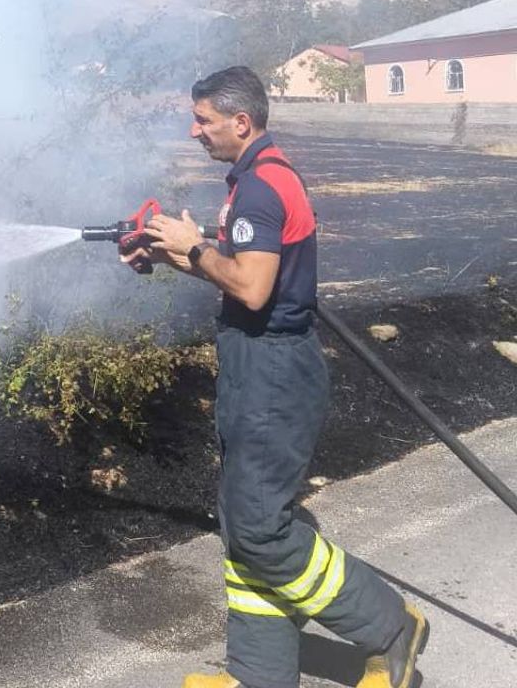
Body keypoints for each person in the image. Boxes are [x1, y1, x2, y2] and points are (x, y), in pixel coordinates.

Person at [122, 66, 430, 688]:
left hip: (273, 371)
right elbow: (240, 275)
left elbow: (254, 288)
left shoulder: (262, 186)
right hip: (254, 361)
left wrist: (194, 245)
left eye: (203, 120)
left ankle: (390, 627)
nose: (194, 131)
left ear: (241, 122)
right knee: (244, 521)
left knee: (261, 529)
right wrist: (169, 253)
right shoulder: (256, 177)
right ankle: (260, 675)